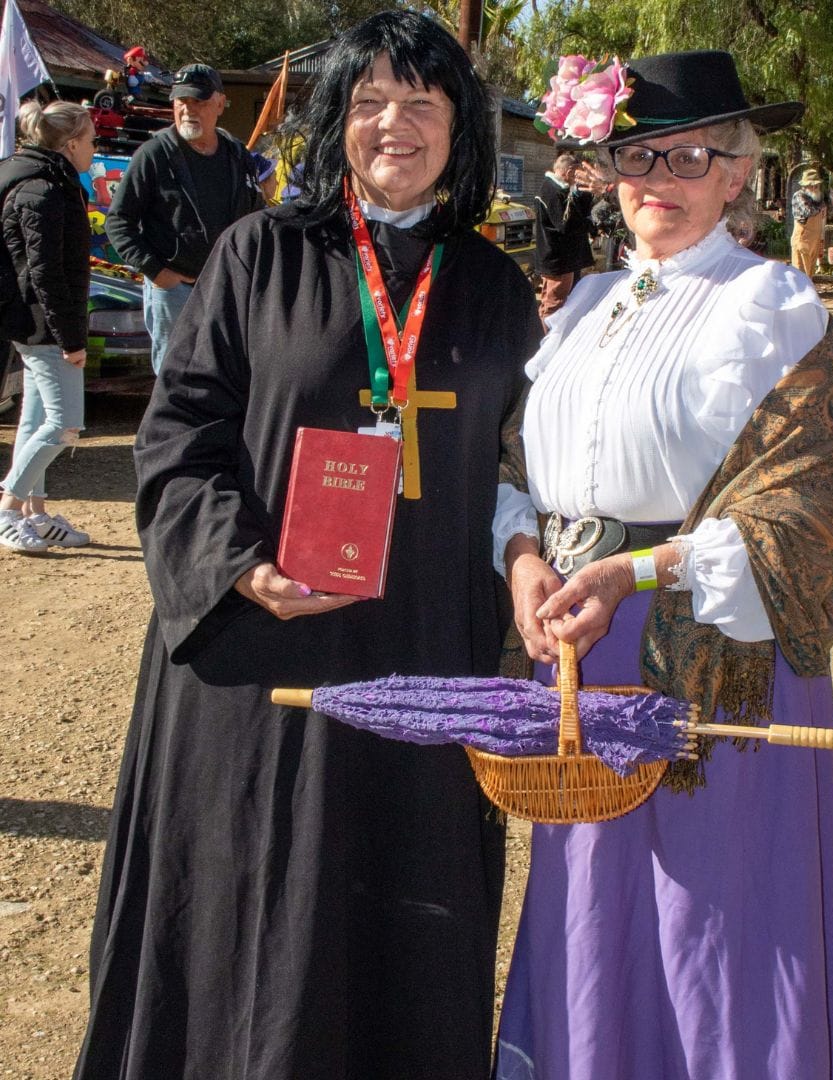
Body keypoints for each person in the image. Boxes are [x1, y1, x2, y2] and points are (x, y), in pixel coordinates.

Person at [73, 11, 543, 1080]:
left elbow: (528, 469)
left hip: (425, 651)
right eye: (370, 100)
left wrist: (534, 562)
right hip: (265, 656)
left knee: (401, 925)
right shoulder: (259, 254)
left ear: (460, 127)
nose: (394, 124)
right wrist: (240, 563)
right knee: (250, 912)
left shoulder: (495, 290)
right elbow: (179, 434)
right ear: (337, 119)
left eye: (422, 102)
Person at [493, 49, 833, 1080]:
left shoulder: (771, 304)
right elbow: (516, 464)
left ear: (738, 172)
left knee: (713, 931)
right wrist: (521, 557)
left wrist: (634, 574)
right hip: (577, 655)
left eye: (688, 157)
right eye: (637, 156)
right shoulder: (583, 306)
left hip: (706, 657)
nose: (658, 178)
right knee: (595, 916)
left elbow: (804, 511)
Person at [104, 62, 263, 374]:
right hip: (174, 292)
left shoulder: (237, 154)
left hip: (228, 288)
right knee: (174, 378)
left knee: (227, 375)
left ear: (220, 103)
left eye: (198, 101)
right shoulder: (154, 154)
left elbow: (255, 217)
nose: (188, 110)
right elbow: (118, 222)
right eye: (181, 101)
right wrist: (156, 272)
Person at [0, 101, 94, 554]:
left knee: (35, 419)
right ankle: (8, 508)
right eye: (92, 139)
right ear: (71, 143)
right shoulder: (44, 189)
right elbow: (46, 274)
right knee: (64, 424)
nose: (94, 147)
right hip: (43, 328)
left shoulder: (46, 181)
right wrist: (70, 339)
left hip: (34, 324)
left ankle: (33, 514)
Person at [535, 151, 595, 319]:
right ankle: (546, 334)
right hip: (559, 259)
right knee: (555, 306)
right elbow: (567, 225)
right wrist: (592, 223)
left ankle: (544, 331)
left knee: (551, 302)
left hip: (558, 258)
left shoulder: (554, 188)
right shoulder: (554, 191)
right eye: (576, 173)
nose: (577, 178)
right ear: (568, 172)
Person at [790, 166, 826, 276]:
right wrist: (820, 207)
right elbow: (808, 211)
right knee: (800, 274)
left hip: (814, 241)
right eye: (812, 185)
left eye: (817, 185)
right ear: (805, 186)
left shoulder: (818, 197)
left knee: (810, 275)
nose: (815, 188)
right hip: (803, 240)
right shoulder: (799, 196)